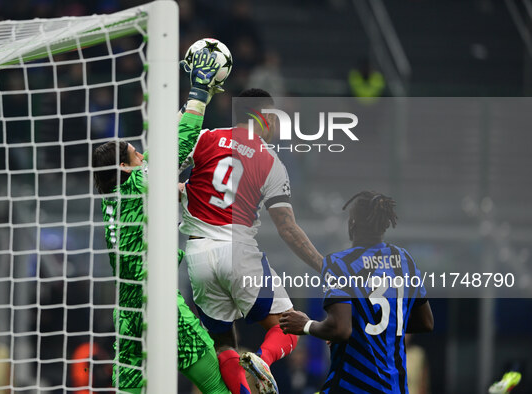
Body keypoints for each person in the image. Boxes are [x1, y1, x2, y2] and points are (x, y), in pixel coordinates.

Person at [92, 48, 229, 394]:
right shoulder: (138, 184)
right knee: (215, 382)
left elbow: (167, 146)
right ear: (124, 167)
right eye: (135, 153)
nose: (142, 153)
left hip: (127, 312)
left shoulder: (117, 193)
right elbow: (179, 145)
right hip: (158, 299)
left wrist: (200, 97)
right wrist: (198, 91)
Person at [179, 88, 323, 394]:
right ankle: (262, 360)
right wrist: (325, 266)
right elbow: (287, 228)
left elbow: (170, 161)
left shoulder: (205, 137)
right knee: (288, 326)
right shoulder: (271, 162)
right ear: (266, 117)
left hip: (197, 255)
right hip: (237, 251)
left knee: (223, 341)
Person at [279, 191, 434, 393]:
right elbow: (426, 322)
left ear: (352, 223)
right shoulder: (404, 260)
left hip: (351, 387)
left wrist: (306, 325)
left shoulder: (340, 263)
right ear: (384, 225)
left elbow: (341, 330)